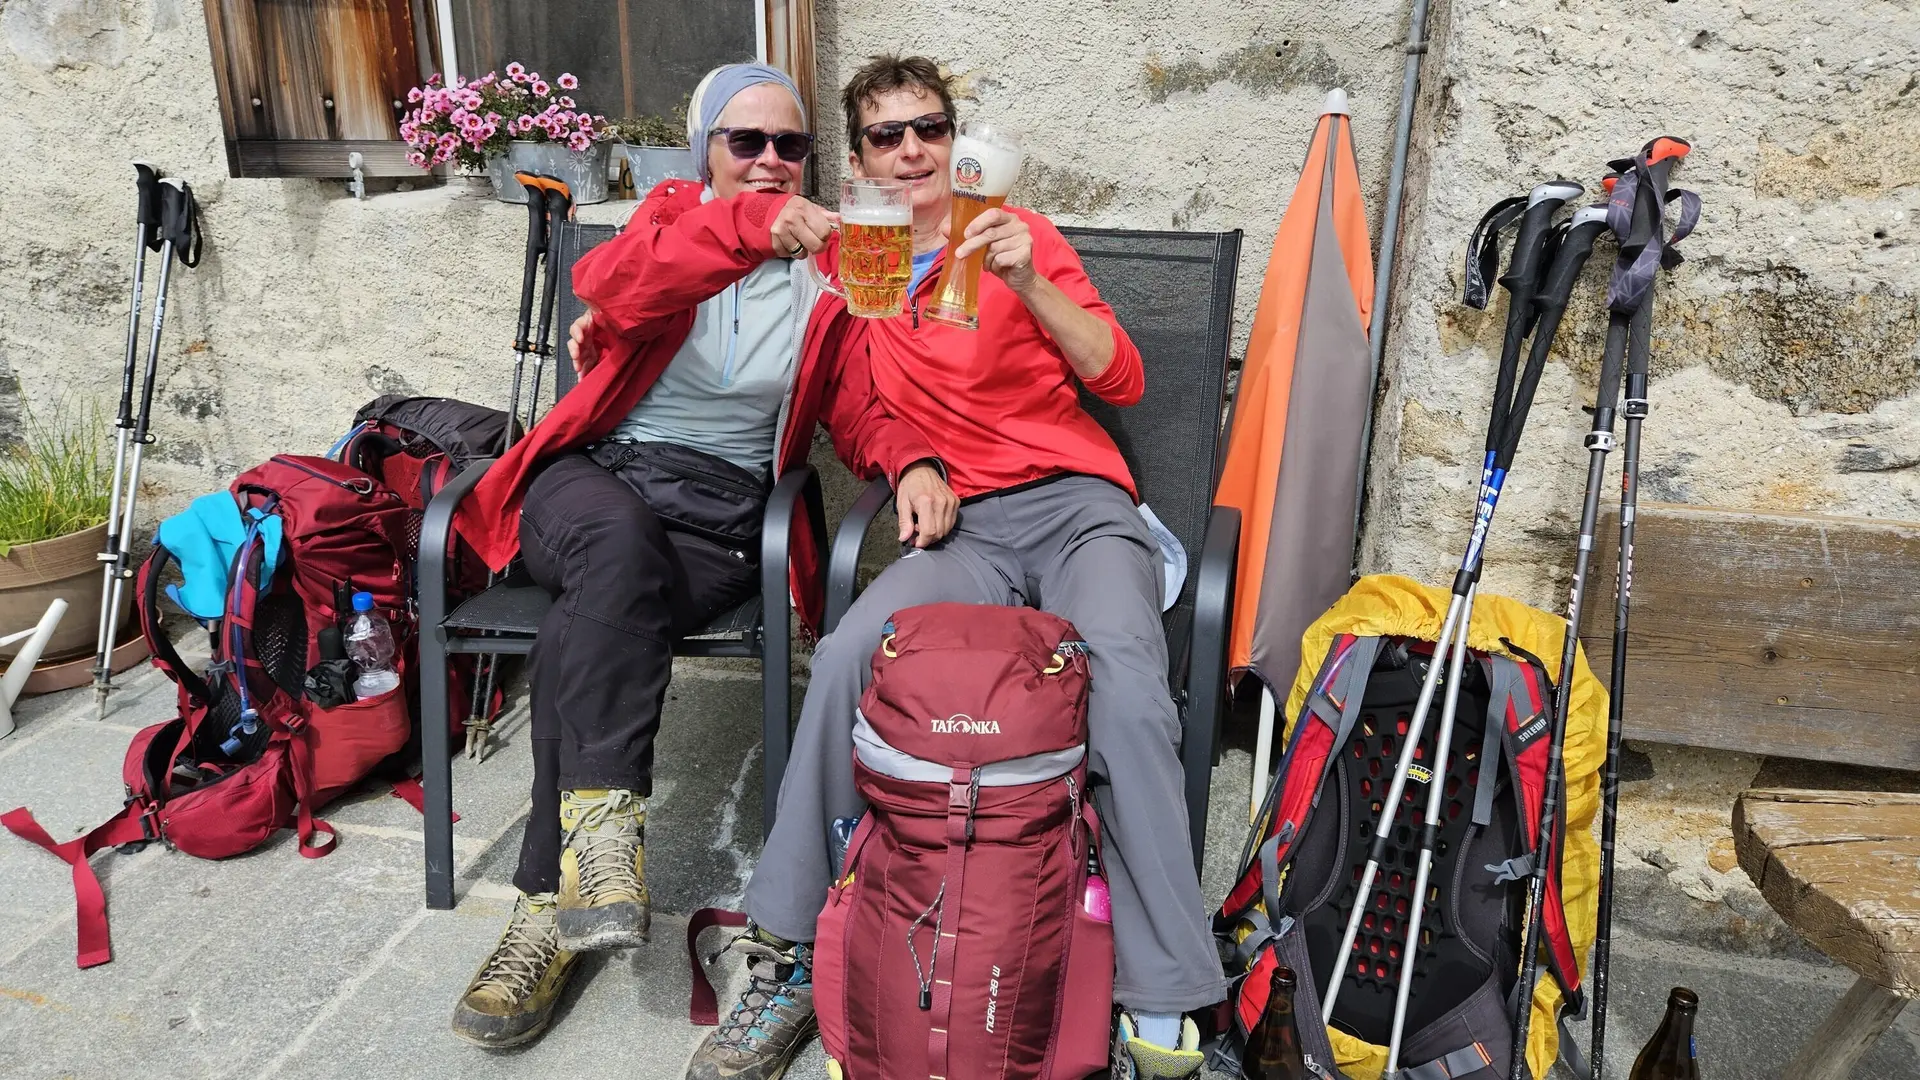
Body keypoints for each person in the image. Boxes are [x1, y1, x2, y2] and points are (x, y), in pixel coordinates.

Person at [686, 55, 1226, 1080]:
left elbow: (1122, 371)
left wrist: (1028, 278)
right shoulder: (855, 259)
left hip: (1074, 509)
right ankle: (795, 947)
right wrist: (914, 460)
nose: (912, 151)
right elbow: (854, 396)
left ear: (954, 137)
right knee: (853, 651)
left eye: (927, 128)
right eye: (886, 137)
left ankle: (1163, 991)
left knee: (1126, 692)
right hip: (963, 529)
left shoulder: (1012, 237)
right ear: (861, 160)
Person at [445, 61, 917, 1049]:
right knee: (614, 544)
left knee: (596, 613)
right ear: (706, 150)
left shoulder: (833, 270)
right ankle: (602, 834)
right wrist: (744, 229)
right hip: (593, 482)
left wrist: (908, 458)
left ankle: (553, 900)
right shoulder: (667, 217)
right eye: (747, 142)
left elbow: (862, 401)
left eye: (791, 146)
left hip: (721, 520)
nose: (772, 161)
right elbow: (612, 284)